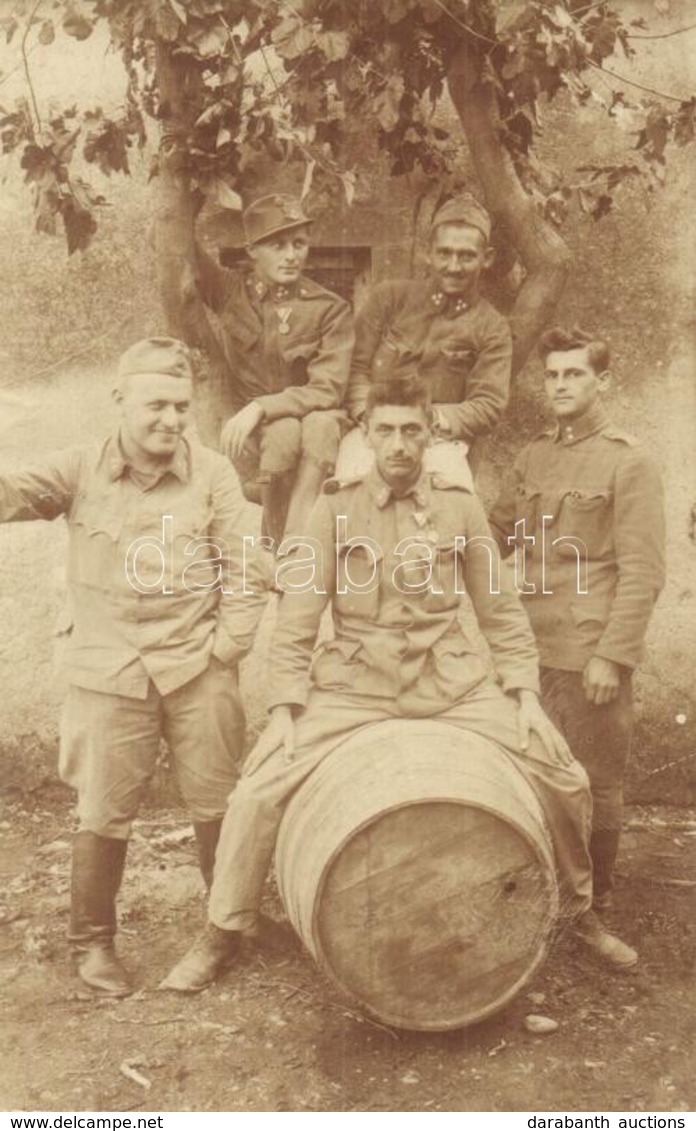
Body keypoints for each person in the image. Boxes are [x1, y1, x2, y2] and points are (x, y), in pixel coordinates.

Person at [162, 375, 638, 994]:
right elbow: (298, 619)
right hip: (355, 686)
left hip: (453, 684)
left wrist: (523, 695)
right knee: (256, 787)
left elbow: (500, 612)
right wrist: (283, 708)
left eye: (411, 430)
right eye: (384, 430)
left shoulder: (460, 507)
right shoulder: (332, 507)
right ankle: (222, 931)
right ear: (366, 436)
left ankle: (577, 912)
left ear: (431, 434)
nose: (398, 445)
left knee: (564, 775)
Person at [0, 337, 269, 997]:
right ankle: (92, 944)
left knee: (218, 801)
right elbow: (10, 494)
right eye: (156, 405)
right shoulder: (79, 468)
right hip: (107, 670)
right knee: (102, 810)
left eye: (181, 406)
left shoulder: (212, 473)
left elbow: (246, 566)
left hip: (196, 665)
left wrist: (227, 647)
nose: (171, 419)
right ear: (119, 400)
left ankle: (226, 929)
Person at [488, 327, 665, 914]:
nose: (561, 385)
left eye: (575, 374)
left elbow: (643, 572)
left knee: (594, 781)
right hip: (527, 650)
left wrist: (612, 657)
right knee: (530, 774)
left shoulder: (628, 462)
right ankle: (539, 893)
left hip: (588, 656)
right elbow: (496, 530)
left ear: (602, 381)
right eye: (553, 375)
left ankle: (593, 903)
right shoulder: (533, 455)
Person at [191, 190, 354, 543]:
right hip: (256, 434)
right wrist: (196, 190)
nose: (291, 255)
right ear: (252, 251)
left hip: (314, 420)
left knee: (320, 425)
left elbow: (327, 389)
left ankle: (290, 544)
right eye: (277, 246)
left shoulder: (329, 308)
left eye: (299, 243)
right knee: (283, 434)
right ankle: (287, 544)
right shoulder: (230, 292)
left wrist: (262, 407)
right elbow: (173, 244)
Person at [343, 193, 511, 482]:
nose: (454, 266)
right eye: (445, 253)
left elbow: (487, 404)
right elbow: (354, 368)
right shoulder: (389, 299)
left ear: (487, 259)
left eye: (467, 255)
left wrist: (429, 420)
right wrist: (365, 415)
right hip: (371, 431)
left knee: (452, 501)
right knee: (349, 488)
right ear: (428, 253)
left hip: (438, 440)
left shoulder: (492, 327)